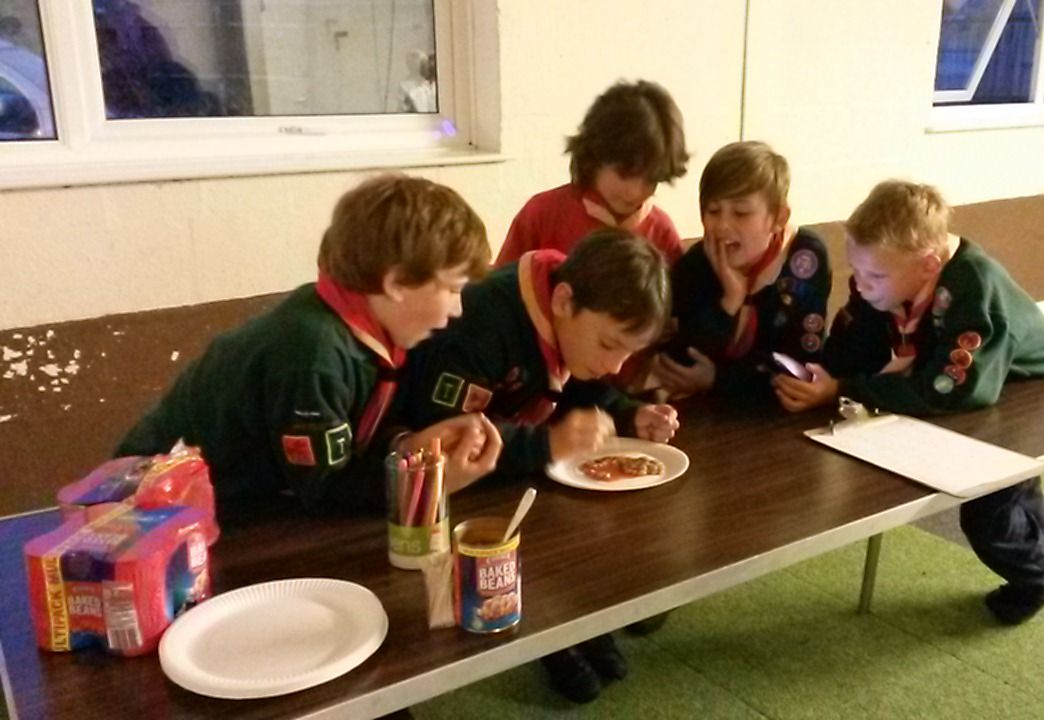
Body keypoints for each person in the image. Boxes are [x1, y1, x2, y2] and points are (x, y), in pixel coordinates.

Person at [398, 229, 679, 703]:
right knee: (523, 523)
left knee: (583, 512)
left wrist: (629, 412)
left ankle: (582, 619)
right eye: (610, 345)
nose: (615, 365)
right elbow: (445, 435)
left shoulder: (567, 315)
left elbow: (584, 389)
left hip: (515, 462)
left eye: (628, 352)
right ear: (565, 300)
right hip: (439, 490)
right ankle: (548, 636)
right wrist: (546, 442)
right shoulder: (483, 321)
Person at [116, 173, 503, 516]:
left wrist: (408, 446)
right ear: (397, 282)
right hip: (149, 510)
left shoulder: (365, 328)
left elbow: (347, 440)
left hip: (238, 505)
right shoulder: (312, 353)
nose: (457, 309)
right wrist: (434, 483)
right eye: (453, 289)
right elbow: (326, 490)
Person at [774, 180, 1044, 624]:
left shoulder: (974, 287)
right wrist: (830, 373)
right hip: (973, 379)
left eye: (875, 277)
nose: (863, 284)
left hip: (1025, 388)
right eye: (858, 270)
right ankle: (1037, 557)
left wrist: (843, 390)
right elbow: (859, 332)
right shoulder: (889, 272)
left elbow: (953, 390)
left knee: (989, 506)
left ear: (929, 265)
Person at [654, 141, 831, 401]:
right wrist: (729, 302)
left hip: (773, 415)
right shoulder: (697, 263)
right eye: (713, 211)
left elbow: (798, 368)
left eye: (741, 213)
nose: (723, 226)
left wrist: (718, 379)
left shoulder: (804, 259)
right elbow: (677, 360)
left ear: (778, 218)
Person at [494, 79, 689, 267]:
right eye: (624, 173)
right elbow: (497, 293)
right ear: (596, 156)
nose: (635, 192)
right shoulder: (541, 215)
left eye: (651, 179)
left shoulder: (662, 232)